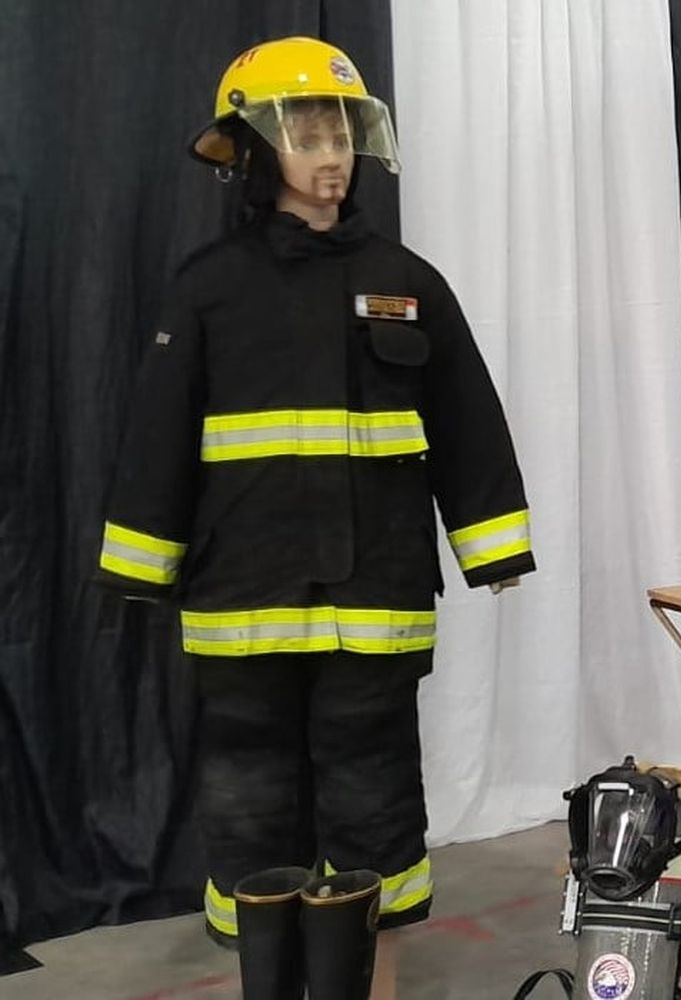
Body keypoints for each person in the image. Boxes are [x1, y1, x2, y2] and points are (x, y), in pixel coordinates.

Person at [96, 37, 536, 994]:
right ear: (255, 151)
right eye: (305, 131)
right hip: (240, 591)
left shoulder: (406, 280)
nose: (331, 152)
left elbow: (467, 422)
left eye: (340, 129)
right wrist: (138, 565)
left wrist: (493, 542)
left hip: (372, 593)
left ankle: (367, 985)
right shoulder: (207, 286)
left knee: (373, 788)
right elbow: (157, 436)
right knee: (249, 795)